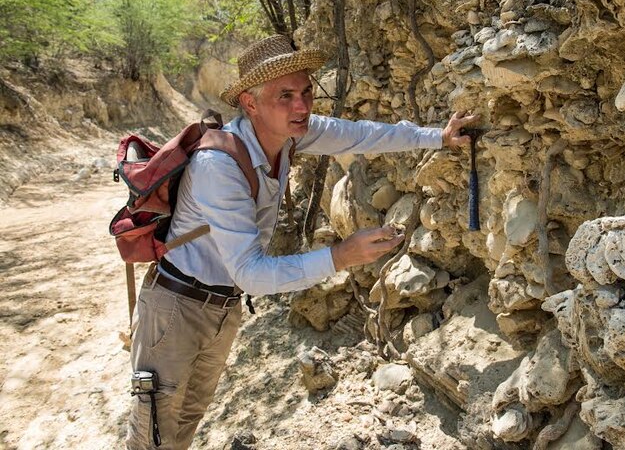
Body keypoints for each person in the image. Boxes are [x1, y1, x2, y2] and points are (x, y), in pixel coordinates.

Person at [126, 35, 479, 449]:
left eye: (307, 92)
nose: (302, 106)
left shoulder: (288, 134)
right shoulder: (218, 165)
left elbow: (359, 135)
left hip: (221, 307)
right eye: (286, 96)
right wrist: (340, 256)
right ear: (250, 103)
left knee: (186, 420)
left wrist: (437, 136)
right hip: (175, 309)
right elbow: (252, 274)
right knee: (153, 433)